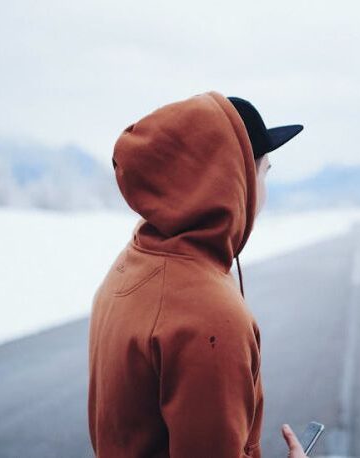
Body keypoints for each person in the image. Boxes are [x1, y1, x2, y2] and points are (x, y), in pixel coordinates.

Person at [88, 91, 305, 457]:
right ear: (237, 180)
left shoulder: (132, 263)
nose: (264, 193)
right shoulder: (211, 318)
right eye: (263, 174)